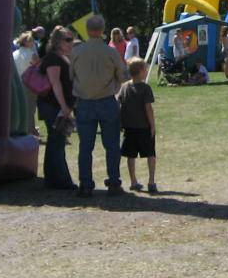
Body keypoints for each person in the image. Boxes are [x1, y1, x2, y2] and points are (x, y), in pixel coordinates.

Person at [70, 15, 129, 197]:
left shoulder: (76, 52)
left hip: (84, 103)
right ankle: (113, 183)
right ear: (103, 31)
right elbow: (123, 76)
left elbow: (71, 77)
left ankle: (86, 184)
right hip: (106, 101)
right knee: (111, 145)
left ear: (87, 30)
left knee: (85, 147)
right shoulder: (111, 52)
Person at [37, 26, 77, 190]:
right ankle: (61, 181)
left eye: (71, 39)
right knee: (57, 141)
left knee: (56, 142)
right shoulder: (53, 59)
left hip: (58, 106)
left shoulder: (63, 57)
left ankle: (52, 180)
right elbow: (55, 84)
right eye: (67, 39)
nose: (71, 43)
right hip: (53, 106)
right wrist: (64, 107)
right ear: (58, 41)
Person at [118, 57, 158, 193]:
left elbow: (120, 105)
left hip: (129, 127)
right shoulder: (145, 88)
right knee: (150, 154)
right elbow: (148, 109)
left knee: (131, 155)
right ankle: (151, 181)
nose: (147, 71)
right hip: (144, 127)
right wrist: (152, 125)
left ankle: (133, 181)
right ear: (141, 71)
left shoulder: (124, 87)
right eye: (145, 69)